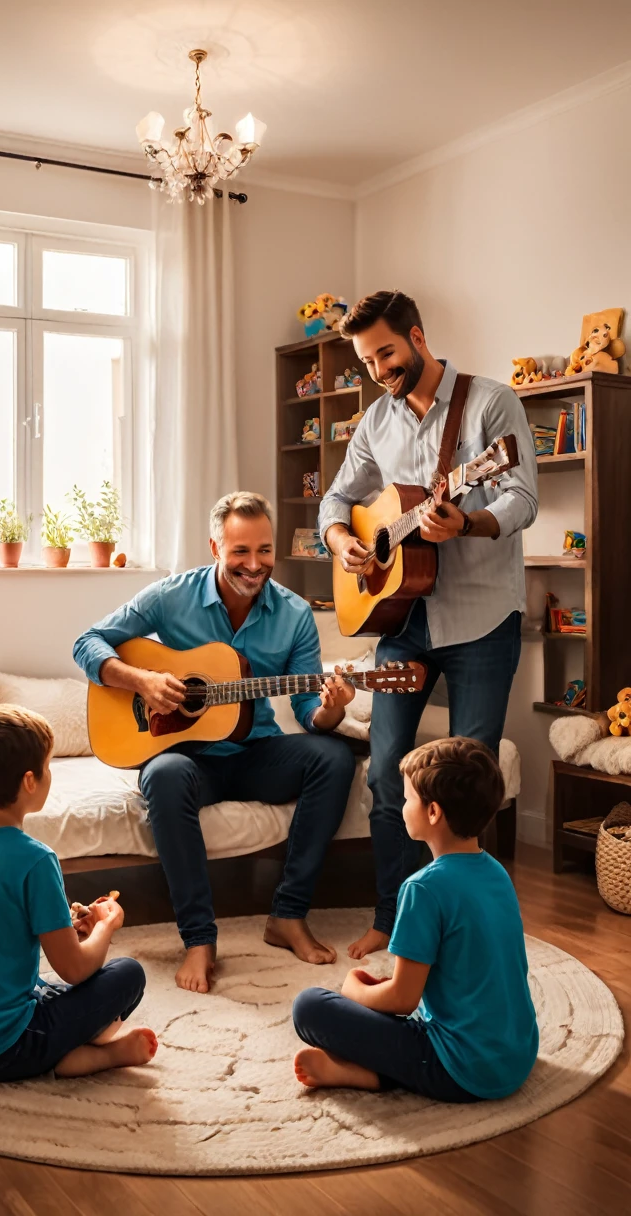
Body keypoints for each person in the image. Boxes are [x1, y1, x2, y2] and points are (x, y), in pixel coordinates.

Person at [319, 290, 538, 960]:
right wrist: (341, 541)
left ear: (416, 336)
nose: (379, 368)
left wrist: (466, 520)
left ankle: (463, 927)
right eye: (366, 360)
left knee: (465, 783)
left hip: (480, 618)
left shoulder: (491, 402)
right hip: (401, 618)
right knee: (387, 774)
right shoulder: (375, 423)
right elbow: (336, 497)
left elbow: (522, 495)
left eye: (386, 351)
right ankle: (393, 919)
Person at [74, 491, 357, 995]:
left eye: (265, 551)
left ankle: (288, 915)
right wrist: (141, 681)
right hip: (187, 756)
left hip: (256, 751)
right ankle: (199, 940)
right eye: (240, 552)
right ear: (214, 547)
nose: (255, 565)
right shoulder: (170, 595)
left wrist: (332, 709)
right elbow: (87, 642)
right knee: (162, 776)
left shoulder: (293, 615)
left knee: (334, 757)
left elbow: (308, 712)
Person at [292, 737, 539, 1102]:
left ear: (433, 812)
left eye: (408, 798)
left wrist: (354, 990)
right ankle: (367, 1069)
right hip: (518, 1055)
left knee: (309, 1006)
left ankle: (367, 1074)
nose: (403, 805)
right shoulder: (496, 872)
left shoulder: (422, 888)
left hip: (464, 1070)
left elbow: (402, 1000)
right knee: (388, 1008)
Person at [0, 706, 158, 1081]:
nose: (51, 774)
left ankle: (72, 1045)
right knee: (128, 973)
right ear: (30, 782)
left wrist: (65, 929)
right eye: (48, 766)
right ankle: (82, 1055)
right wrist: (106, 927)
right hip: (6, 1049)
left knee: (43, 987)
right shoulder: (36, 859)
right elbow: (74, 968)